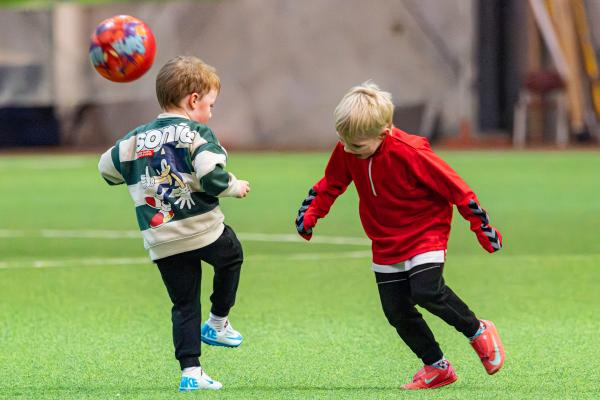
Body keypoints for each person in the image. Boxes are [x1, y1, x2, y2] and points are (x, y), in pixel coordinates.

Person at [295, 81, 505, 390]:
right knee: (396, 311)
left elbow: (457, 188)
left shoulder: (411, 151)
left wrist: (481, 227)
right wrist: (312, 212)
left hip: (425, 231)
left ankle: (477, 330)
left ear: (383, 133)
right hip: (385, 240)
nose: (349, 150)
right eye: (343, 142)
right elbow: (332, 182)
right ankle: (437, 367)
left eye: (357, 146)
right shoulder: (348, 147)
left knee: (426, 291)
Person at [98, 56, 250, 392]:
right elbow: (212, 177)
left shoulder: (136, 138)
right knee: (232, 256)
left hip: (162, 238)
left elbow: (106, 169)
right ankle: (217, 323)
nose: (211, 112)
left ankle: (191, 372)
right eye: (210, 104)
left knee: (184, 304)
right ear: (193, 100)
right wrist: (235, 186)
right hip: (203, 230)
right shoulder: (198, 133)